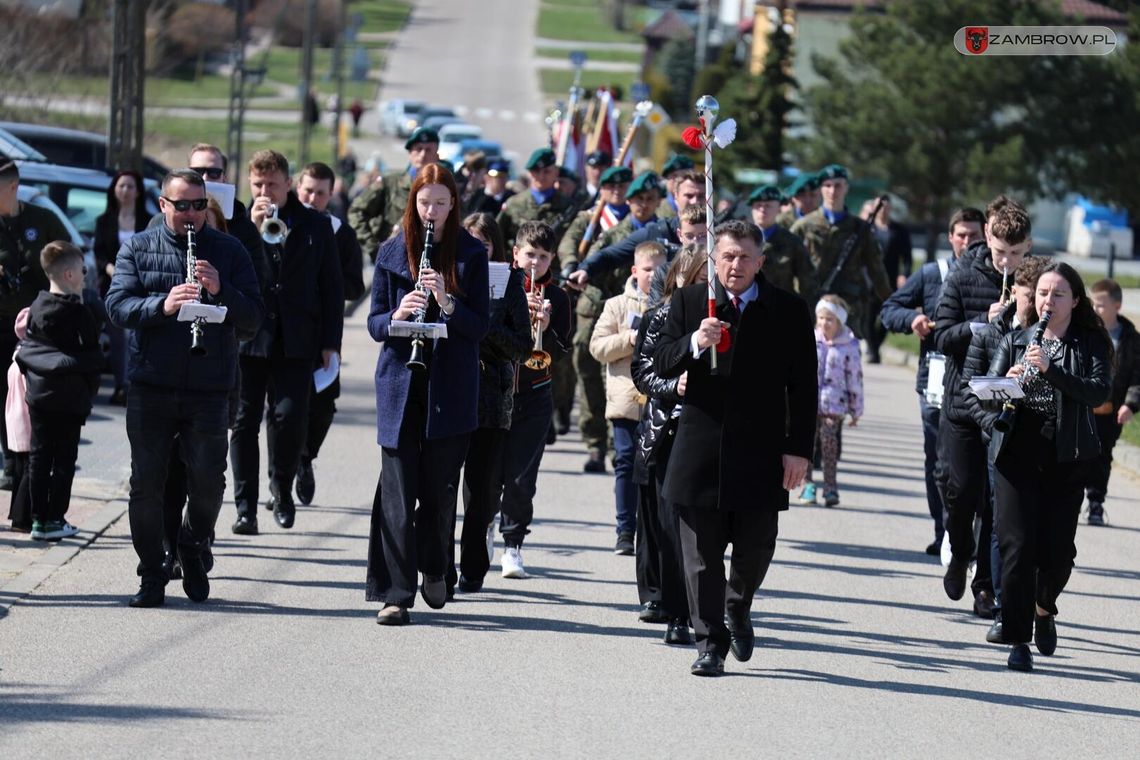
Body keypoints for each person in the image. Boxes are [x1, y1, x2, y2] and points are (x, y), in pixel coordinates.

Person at [654, 220, 817, 676]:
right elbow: (661, 359)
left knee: (755, 548)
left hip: (761, 452)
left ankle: (738, 606)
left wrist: (799, 450)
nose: (736, 265)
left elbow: (804, 388)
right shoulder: (690, 302)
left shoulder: (787, 309)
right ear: (714, 260)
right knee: (700, 557)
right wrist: (694, 341)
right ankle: (709, 644)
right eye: (727, 256)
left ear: (760, 261)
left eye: (745, 257)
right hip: (699, 450)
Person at [105, 168, 263, 607]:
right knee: (147, 484)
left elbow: (253, 319)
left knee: (209, 482)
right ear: (163, 206)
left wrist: (221, 290)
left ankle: (192, 545)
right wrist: (163, 304)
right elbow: (116, 306)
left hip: (210, 386)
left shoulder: (229, 251)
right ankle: (152, 574)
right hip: (151, 383)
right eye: (183, 206)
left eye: (199, 205)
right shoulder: (137, 247)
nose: (193, 214)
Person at [365, 164, 489, 625]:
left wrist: (448, 301)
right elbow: (375, 323)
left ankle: (435, 565)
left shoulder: (471, 254)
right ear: (413, 203)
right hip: (401, 382)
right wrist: (400, 311)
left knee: (437, 494)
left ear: (453, 203)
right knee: (397, 494)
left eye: (440, 202)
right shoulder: (392, 250)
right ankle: (395, 594)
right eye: (424, 203)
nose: (431, 211)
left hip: (450, 388)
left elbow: (479, 328)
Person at [983, 263, 1112, 672]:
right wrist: (1005, 380)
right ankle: (1018, 639)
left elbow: (1097, 392)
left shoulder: (1090, 342)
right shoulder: (1017, 339)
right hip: (1017, 452)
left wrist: (1050, 370)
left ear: (1075, 300)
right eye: (1042, 293)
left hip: (1066, 455)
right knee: (1017, 547)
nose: (1047, 301)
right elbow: (984, 394)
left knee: (1058, 554)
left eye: (1058, 294)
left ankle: (1043, 607)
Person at [230, 150, 344, 535]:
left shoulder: (315, 224)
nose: (265, 191)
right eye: (258, 184)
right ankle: (245, 507)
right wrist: (253, 229)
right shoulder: (237, 225)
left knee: (291, 415)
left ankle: (281, 487)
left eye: (272, 185)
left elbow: (331, 286)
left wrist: (332, 342)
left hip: (298, 338)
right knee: (244, 421)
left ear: (288, 184)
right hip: (250, 336)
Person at [934, 197, 1029, 613]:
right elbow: (941, 336)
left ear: (1027, 248)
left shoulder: (1034, 279)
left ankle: (985, 587)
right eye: (999, 252)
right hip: (962, 400)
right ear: (988, 236)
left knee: (997, 500)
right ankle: (958, 549)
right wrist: (980, 324)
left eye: (1015, 254)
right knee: (962, 490)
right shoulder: (962, 274)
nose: (1006, 261)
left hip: (1006, 408)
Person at [880, 207, 984, 554]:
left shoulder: (993, 277)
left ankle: (973, 534)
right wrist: (913, 318)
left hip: (981, 380)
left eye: (974, 235)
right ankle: (945, 534)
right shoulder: (931, 274)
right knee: (938, 461)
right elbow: (888, 310)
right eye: (961, 235)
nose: (968, 242)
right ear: (951, 238)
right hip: (937, 380)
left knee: (975, 463)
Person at [959, 255, 1049, 643]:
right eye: (1032, 295)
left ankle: (1040, 606)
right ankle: (1002, 606)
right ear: (1015, 293)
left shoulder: (1055, 339)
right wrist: (993, 422)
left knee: (1039, 536)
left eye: (1045, 296)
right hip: (999, 441)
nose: (1038, 305)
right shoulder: (995, 332)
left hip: (1043, 448)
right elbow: (973, 388)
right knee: (1000, 528)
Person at [447, 212, 532, 594]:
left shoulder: (511, 280)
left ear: (496, 249)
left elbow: (521, 344)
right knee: (444, 486)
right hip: (451, 394)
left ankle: (473, 567)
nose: (478, 252)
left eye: (485, 246)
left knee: (481, 492)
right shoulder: (449, 276)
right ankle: (439, 566)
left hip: (492, 398)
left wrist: (480, 320)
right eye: (472, 245)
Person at [630, 243, 707, 643]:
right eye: (699, 280)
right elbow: (642, 373)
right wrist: (674, 385)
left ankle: (705, 609)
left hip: (711, 436)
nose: (706, 290)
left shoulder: (726, 320)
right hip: (667, 433)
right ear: (681, 278)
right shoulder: (659, 316)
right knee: (668, 527)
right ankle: (676, 612)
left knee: (701, 532)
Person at [494, 221, 571, 581]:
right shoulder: (500, 286)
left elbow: (561, 350)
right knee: (489, 473)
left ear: (552, 258)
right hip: (496, 390)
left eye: (542, 257)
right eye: (529, 255)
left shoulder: (560, 296)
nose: (534, 263)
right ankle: (481, 534)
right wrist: (516, 315)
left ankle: (513, 544)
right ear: (515, 253)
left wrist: (547, 324)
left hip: (536, 393)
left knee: (523, 478)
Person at [15, 241, 103, 541]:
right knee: (64, 459)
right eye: (82, 269)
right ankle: (56, 518)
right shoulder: (80, 313)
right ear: (69, 275)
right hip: (70, 398)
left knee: (39, 455)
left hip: (39, 393)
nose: (85, 274)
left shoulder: (37, 306)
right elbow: (92, 355)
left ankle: (38, 520)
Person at [290, 161, 366, 506]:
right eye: (307, 190)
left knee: (323, 406)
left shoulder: (341, 233)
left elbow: (354, 285)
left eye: (320, 193)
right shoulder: (284, 222)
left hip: (324, 332)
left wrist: (327, 281)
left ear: (330, 195)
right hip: (288, 329)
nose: (312, 198)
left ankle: (305, 459)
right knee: (285, 408)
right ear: (297, 188)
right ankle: (282, 474)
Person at [590, 240, 664, 554]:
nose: (654, 275)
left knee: (655, 467)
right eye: (648, 269)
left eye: (660, 269)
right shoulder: (616, 305)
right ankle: (624, 530)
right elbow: (597, 347)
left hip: (660, 397)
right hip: (625, 399)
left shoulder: (672, 304)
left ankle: (654, 530)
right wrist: (629, 339)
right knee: (625, 462)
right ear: (635, 271)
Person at [0, 160, 70, 491]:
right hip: (0, 324)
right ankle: (11, 463)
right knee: (4, 394)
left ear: (12, 187)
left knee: (33, 399)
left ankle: (29, 467)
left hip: (38, 326)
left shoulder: (41, 220)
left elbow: (70, 258)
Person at [561, 165, 634, 474]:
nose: (616, 191)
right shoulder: (589, 219)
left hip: (625, 306)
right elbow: (568, 244)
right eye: (610, 186)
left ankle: (617, 445)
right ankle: (594, 446)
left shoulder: (640, 223)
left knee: (617, 378)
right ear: (601, 189)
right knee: (589, 375)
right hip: (592, 307)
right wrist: (570, 264)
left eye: (622, 187)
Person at [791, 164, 891, 344]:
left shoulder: (860, 229)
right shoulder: (804, 226)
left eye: (838, 185)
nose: (832, 191)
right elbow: (788, 266)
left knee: (846, 363)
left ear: (846, 188)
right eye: (827, 185)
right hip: (811, 305)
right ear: (821, 189)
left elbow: (877, 270)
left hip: (849, 307)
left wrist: (892, 303)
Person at [1085, 278, 1140, 525]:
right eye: (1093, 304)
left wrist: (1131, 404)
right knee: (1076, 456)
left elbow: (1137, 377)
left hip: (1110, 411)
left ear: (1117, 306)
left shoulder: (1131, 339)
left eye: (1101, 305)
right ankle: (1070, 499)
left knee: (1102, 457)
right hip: (1082, 408)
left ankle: (1096, 502)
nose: (1095, 310)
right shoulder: (1085, 332)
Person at [94, 169, 149, 405]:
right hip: (113, 286)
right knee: (118, 338)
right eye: (121, 186)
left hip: (141, 287)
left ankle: (136, 383)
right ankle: (120, 385)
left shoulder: (147, 220)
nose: (125, 191)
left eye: (130, 187)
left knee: (137, 337)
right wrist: (109, 268)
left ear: (138, 192)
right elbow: (98, 253)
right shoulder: (104, 221)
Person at [802, 295, 862, 508]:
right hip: (808, 403)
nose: (824, 323)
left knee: (829, 444)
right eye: (821, 318)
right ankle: (807, 484)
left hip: (833, 406)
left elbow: (854, 379)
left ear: (839, 322)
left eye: (830, 319)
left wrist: (856, 410)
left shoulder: (849, 346)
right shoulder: (810, 339)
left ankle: (830, 487)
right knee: (806, 444)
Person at [349, 127, 440, 259]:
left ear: (437, 155)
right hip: (392, 259)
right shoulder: (390, 182)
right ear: (410, 153)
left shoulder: (444, 189)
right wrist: (374, 248)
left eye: (428, 150)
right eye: (418, 149)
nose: (422, 155)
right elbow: (356, 211)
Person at [861, 196, 913, 364]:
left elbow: (907, 257)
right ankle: (873, 350)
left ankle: (875, 346)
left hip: (889, 280)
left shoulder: (899, 231)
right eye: (880, 206)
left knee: (886, 316)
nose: (883, 210)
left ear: (890, 209)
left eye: (886, 207)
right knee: (868, 317)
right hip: (868, 280)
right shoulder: (867, 229)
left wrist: (904, 274)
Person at [747, 184, 818, 302]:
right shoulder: (742, 240)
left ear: (778, 208)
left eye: (768, 206)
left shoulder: (792, 242)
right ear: (752, 209)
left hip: (781, 308)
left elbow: (808, 282)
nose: (763, 210)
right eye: (758, 205)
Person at [496, 147, 575, 248]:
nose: (541, 177)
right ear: (529, 173)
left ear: (556, 172)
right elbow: (497, 236)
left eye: (547, 172)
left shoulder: (568, 206)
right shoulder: (513, 203)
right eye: (536, 171)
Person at [5, 308, 32, 531]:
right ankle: (21, 518)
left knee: (19, 470)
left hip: (14, 421)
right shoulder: (27, 362)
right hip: (26, 422)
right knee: (29, 470)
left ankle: (16, 512)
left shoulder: (16, 357)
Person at [658, 154, 695, 220]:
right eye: (674, 176)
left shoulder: (698, 205)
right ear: (666, 179)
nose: (679, 180)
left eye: (685, 176)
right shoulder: (656, 207)